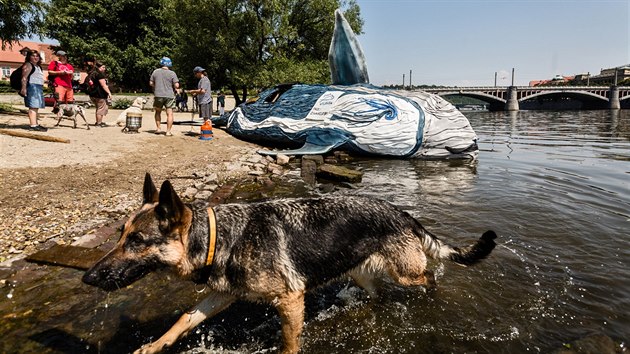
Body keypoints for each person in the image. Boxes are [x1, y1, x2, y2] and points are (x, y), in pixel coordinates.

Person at [149, 57, 179, 136]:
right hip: (169, 96)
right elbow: (176, 85)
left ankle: (158, 128)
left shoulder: (155, 72)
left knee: (158, 112)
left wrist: (156, 86)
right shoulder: (172, 73)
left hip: (158, 95)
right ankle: (168, 131)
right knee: (169, 114)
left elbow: (151, 83)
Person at [19, 49, 47, 132]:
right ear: (29, 57)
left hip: (38, 86)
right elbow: (24, 78)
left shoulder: (38, 67)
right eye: (33, 56)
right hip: (32, 87)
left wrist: (45, 82)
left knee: (36, 106)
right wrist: (23, 88)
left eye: (37, 56)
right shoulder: (28, 65)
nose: (35, 57)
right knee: (33, 106)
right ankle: (33, 125)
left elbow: (36, 78)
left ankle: (36, 124)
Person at [88, 61, 113, 127]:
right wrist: (109, 93)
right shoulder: (99, 74)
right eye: (103, 67)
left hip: (92, 94)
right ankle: (99, 123)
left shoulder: (92, 73)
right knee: (101, 109)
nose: (104, 69)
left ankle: (98, 122)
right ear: (99, 67)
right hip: (99, 94)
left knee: (98, 108)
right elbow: (103, 85)